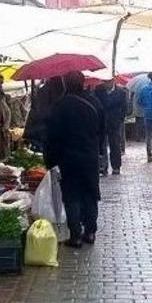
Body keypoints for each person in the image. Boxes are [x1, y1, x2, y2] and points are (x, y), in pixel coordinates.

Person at [44, 71, 104, 248]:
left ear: (65, 83)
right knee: (91, 193)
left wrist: (50, 160)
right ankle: (91, 232)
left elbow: (52, 136)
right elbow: (102, 130)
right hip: (90, 157)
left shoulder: (60, 105)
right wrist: (97, 150)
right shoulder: (94, 102)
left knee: (71, 196)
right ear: (83, 82)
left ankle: (75, 235)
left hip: (68, 158)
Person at [95, 78, 127, 175]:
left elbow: (124, 107)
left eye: (109, 81)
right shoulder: (98, 90)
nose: (106, 84)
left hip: (115, 122)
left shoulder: (121, 92)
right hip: (101, 122)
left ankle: (116, 166)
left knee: (115, 144)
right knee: (102, 145)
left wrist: (121, 119)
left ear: (113, 81)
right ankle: (103, 166)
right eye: (105, 81)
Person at [24, 76, 65, 150]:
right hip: (58, 132)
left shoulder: (42, 91)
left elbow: (37, 111)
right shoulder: (63, 92)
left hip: (42, 131)